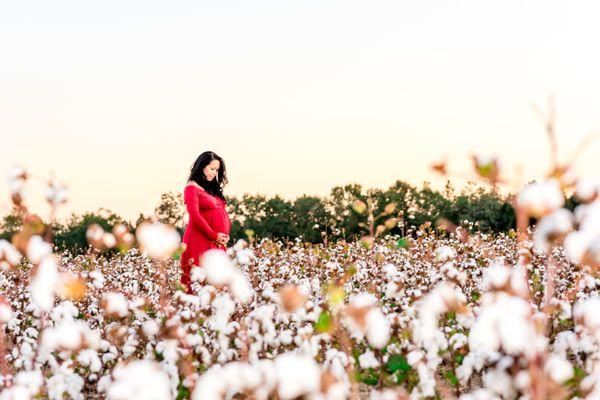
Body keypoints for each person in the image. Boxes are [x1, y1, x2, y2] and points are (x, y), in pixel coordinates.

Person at [180, 151, 231, 293]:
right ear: (202, 166)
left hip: (217, 242)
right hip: (200, 239)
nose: (214, 173)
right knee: (198, 283)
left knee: (217, 283)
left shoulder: (210, 189)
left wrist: (222, 236)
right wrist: (214, 235)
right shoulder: (191, 188)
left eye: (217, 170)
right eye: (211, 169)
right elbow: (195, 215)